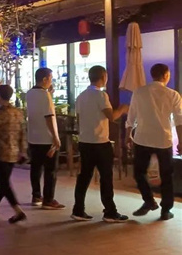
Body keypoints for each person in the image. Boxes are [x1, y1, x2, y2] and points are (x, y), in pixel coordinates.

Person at [72, 66, 129, 223]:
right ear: (103, 77)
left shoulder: (81, 96)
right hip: (100, 142)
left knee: (84, 176)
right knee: (106, 177)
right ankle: (110, 211)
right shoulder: (101, 95)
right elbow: (111, 116)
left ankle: (78, 209)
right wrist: (122, 109)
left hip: (85, 141)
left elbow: (79, 118)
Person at [126, 63, 182, 221]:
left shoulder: (139, 92)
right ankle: (166, 210)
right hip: (163, 139)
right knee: (166, 176)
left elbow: (131, 115)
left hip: (142, 138)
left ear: (152, 75)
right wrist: (181, 141)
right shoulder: (173, 95)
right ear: (166, 75)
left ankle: (149, 201)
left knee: (139, 173)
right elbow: (179, 120)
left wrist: (127, 134)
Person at [0, 85, 28, 224]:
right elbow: (23, 132)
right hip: (14, 152)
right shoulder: (18, 112)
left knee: (3, 182)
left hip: (0, 152)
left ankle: (18, 211)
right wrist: (23, 150)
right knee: (4, 180)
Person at [26, 67, 65, 209]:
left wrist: (49, 95)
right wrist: (56, 137)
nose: (51, 81)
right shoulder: (45, 95)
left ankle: (36, 195)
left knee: (35, 168)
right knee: (51, 170)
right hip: (46, 138)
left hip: (33, 137)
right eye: (50, 78)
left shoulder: (29, 94)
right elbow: (49, 117)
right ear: (44, 79)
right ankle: (48, 199)